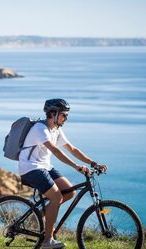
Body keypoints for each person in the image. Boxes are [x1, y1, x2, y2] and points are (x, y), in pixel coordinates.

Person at [19, 98, 107, 249]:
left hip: (44, 166)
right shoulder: (41, 129)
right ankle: (47, 241)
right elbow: (56, 151)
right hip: (31, 168)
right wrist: (76, 166)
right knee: (56, 197)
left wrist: (93, 163)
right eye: (64, 115)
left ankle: (38, 216)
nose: (66, 118)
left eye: (66, 115)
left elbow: (71, 149)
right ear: (53, 114)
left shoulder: (56, 129)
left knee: (70, 192)